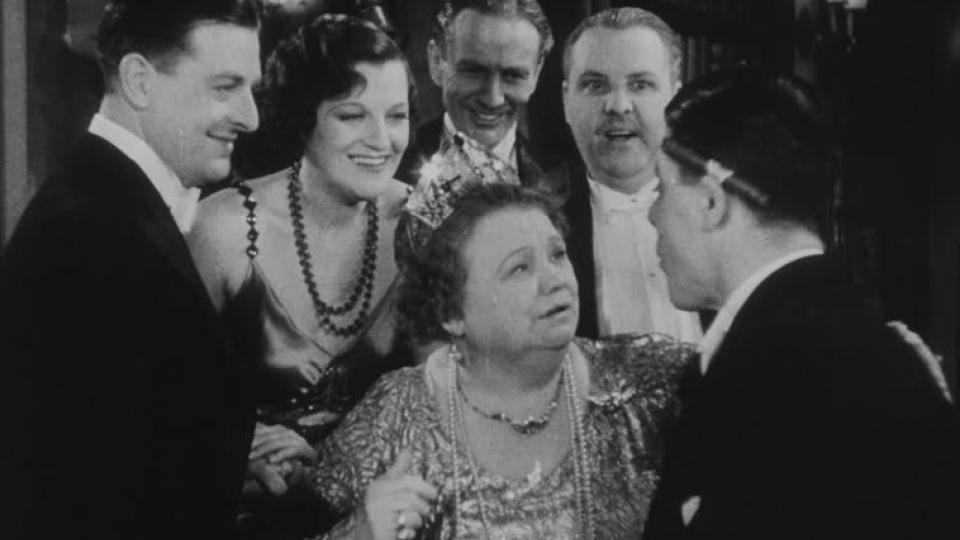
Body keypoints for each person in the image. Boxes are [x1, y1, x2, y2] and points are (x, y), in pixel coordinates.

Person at [643, 67, 960, 539]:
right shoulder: (883, 351)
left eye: (662, 189)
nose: (653, 215)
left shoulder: (765, 378)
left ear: (711, 202)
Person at [0, 1, 261, 539]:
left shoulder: (105, 202)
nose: (250, 116)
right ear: (140, 81)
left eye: (251, 88)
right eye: (225, 87)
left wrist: (229, 458)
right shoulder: (90, 233)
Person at [307, 183, 694, 539]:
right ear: (452, 313)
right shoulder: (398, 412)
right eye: (520, 267)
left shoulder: (646, 382)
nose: (555, 279)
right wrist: (358, 534)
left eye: (557, 254)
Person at [187, 14, 415, 539]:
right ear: (301, 119)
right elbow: (163, 401)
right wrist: (236, 444)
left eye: (397, 116)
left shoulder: (425, 224)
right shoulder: (222, 230)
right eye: (351, 115)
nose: (382, 140)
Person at [560, 7, 702, 340]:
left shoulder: (724, 212)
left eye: (640, 84)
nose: (618, 105)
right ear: (566, 101)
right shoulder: (536, 217)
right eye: (595, 85)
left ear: (675, 96)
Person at [395, 0, 559, 192]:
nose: (493, 99)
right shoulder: (390, 170)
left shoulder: (571, 178)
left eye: (513, 76)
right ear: (436, 61)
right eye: (473, 71)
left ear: (536, 74)